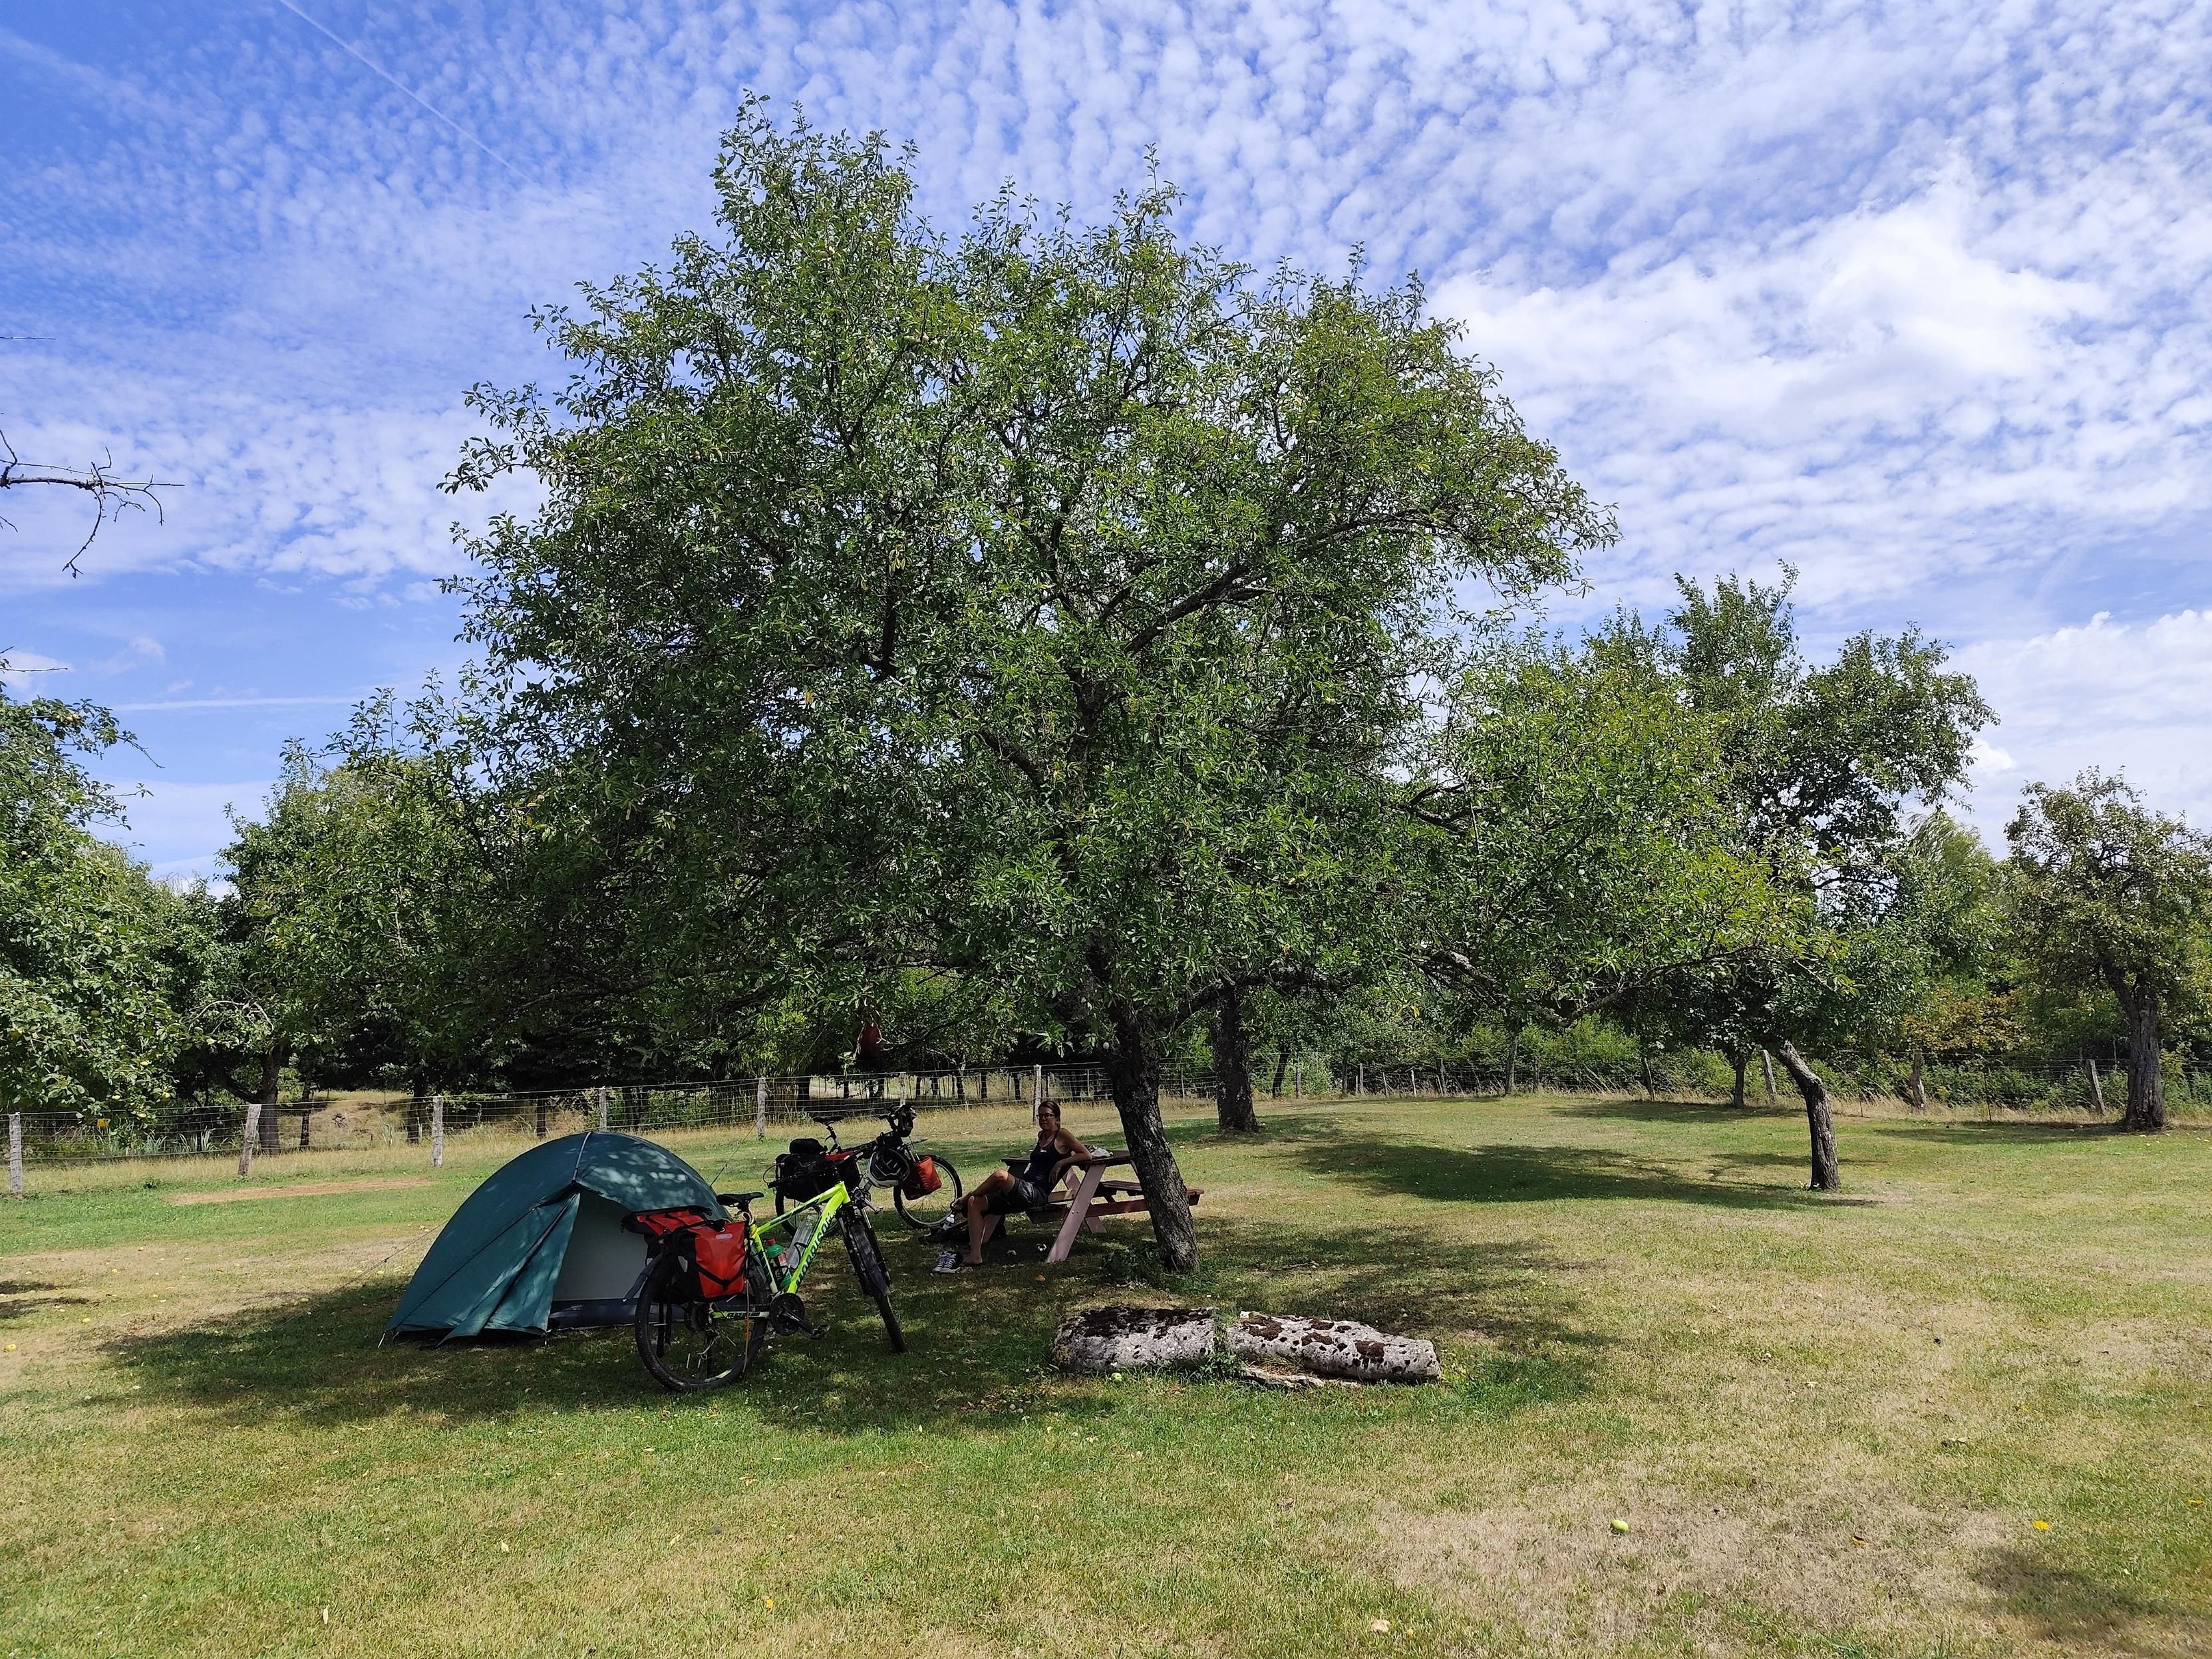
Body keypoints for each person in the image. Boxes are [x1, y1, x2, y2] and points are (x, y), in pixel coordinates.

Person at [937, 1102, 1090, 1269]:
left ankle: (965, 1198)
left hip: (1036, 1193)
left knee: (1000, 1175)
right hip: (1023, 1188)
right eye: (1040, 1116)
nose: (1043, 1119)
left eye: (1047, 1115)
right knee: (975, 1202)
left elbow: (1086, 1154)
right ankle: (975, 1254)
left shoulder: (1063, 1135)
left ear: (1057, 1119)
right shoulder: (1041, 1136)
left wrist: (1062, 1162)